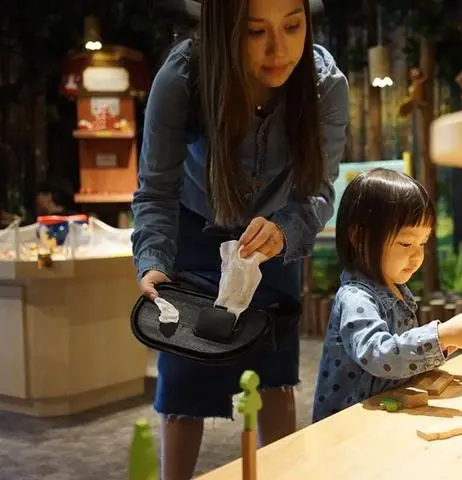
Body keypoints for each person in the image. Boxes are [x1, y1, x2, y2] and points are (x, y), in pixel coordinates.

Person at [131, 0, 349, 478]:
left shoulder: (324, 85)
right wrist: (153, 263)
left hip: (272, 239)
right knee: (184, 380)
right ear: (224, 28)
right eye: (256, 32)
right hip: (192, 236)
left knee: (275, 377)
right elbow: (156, 190)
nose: (280, 49)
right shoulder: (184, 80)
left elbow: (317, 192)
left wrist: (286, 231)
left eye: (293, 26)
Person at [312, 169, 462, 422]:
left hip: (388, 411)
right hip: (349, 424)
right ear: (359, 237)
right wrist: (438, 336)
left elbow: (401, 359)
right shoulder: (355, 298)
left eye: (423, 243)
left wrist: (444, 345)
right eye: (406, 244)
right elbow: (379, 355)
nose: (417, 256)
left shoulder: (395, 289)